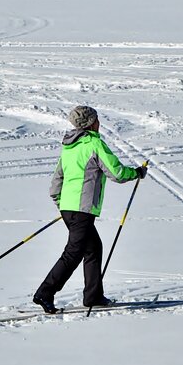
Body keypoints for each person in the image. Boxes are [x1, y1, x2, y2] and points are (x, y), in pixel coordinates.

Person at [33, 106, 148, 313]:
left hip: (70, 209)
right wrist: (137, 172)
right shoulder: (94, 144)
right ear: (91, 123)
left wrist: (63, 205)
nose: (99, 123)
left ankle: (93, 296)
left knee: (93, 248)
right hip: (82, 210)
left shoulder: (68, 147)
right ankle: (45, 292)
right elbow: (118, 173)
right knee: (73, 253)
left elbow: (56, 182)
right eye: (97, 119)